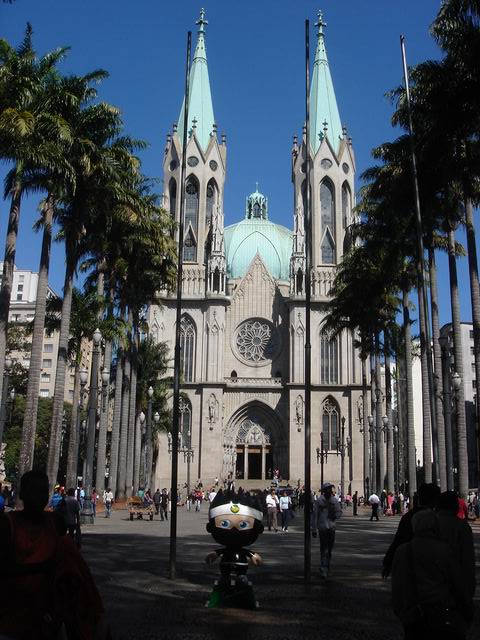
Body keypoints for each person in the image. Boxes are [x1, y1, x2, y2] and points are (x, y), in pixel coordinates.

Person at [0, 470, 108, 639]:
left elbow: (74, 570)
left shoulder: (56, 523)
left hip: (46, 618)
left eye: (42, 491)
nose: (38, 496)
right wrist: (44, 567)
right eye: (33, 490)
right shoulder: (7, 526)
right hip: (12, 618)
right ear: (22, 493)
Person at [391, 510, 473, 640]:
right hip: (442, 613)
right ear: (435, 526)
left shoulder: (403, 551)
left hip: (414, 614)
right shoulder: (444, 550)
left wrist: (401, 610)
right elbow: (457, 582)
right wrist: (466, 608)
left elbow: (396, 583)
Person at [383, 483, 441, 578]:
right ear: (436, 500)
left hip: (409, 566)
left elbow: (398, 540)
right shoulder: (437, 518)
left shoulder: (408, 516)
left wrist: (388, 563)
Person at [437, 491, 476, 603]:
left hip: (434, 583)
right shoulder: (462, 527)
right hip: (456, 581)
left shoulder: (431, 522)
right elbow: (468, 558)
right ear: (455, 505)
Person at [311, 482, 342, 578]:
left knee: (329, 549)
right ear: (324, 491)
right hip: (323, 528)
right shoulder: (320, 501)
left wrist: (335, 515)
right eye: (327, 489)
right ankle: (323, 567)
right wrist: (314, 529)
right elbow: (315, 515)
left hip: (331, 527)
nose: (329, 491)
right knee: (324, 549)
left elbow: (339, 512)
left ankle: (326, 566)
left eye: (330, 489)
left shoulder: (334, 500)